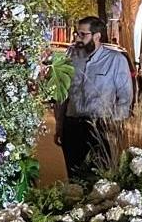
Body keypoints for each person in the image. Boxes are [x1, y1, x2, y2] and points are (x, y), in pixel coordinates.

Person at [53, 15, 133, 179]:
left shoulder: (115, 61)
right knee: (74, 178)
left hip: (100, 127)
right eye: (77, 33)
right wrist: (60, 124)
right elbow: (63, 94)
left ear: (97, 36)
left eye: (83, 34)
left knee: (98, 178)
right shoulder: (71, 59)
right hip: (72, 125)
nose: (77, 38)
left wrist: (114, 126)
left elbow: (125, 97)